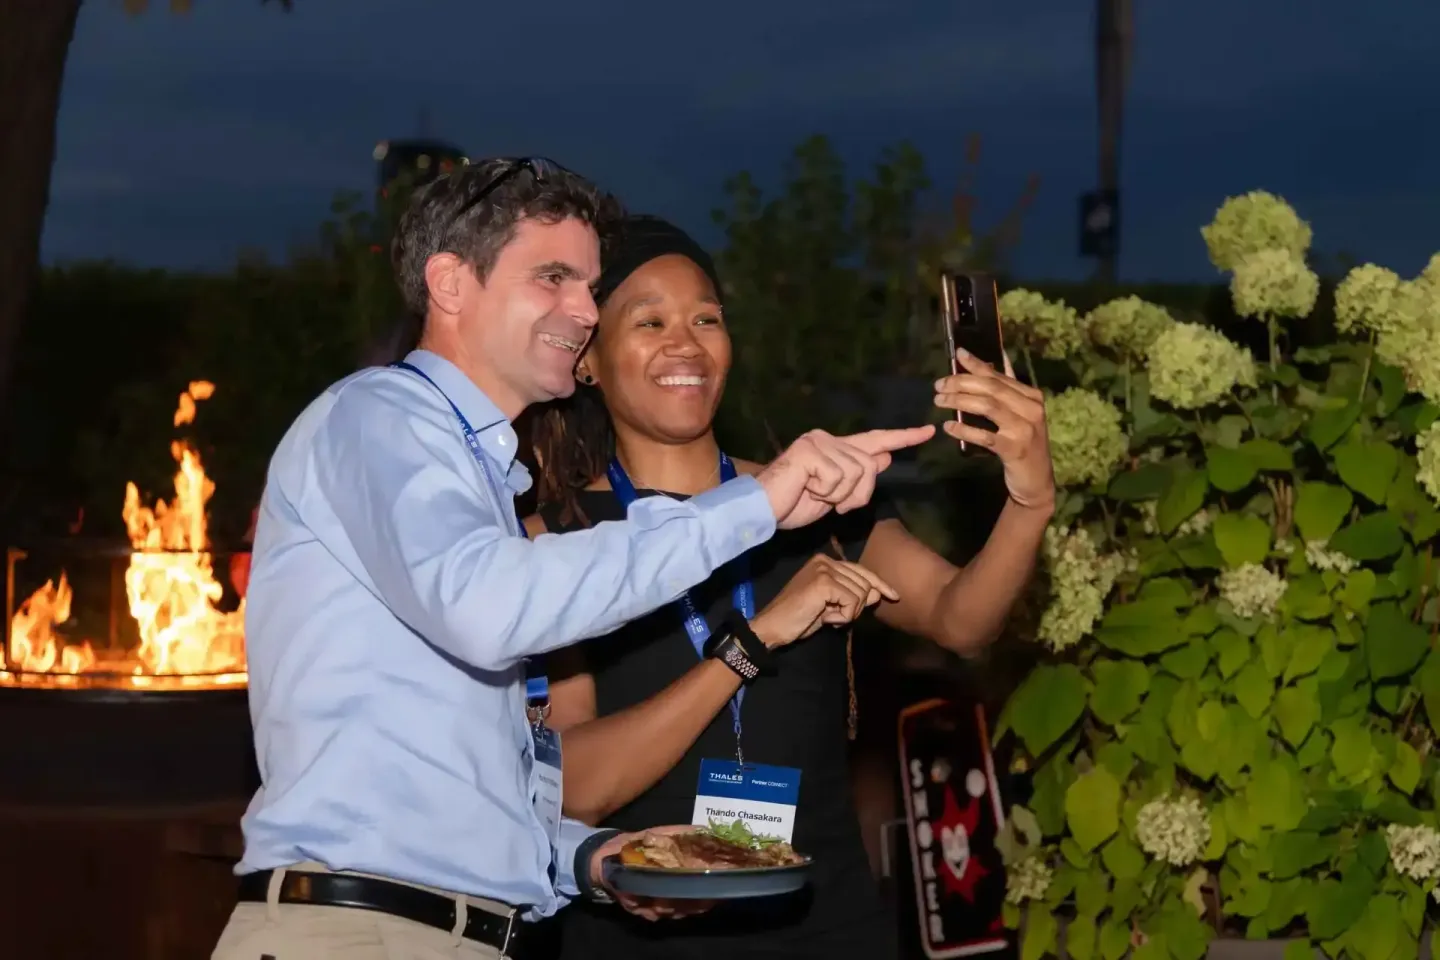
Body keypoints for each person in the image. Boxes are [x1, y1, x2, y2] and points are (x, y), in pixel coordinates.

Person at [209, 159, 934, 960]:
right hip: (356, 935)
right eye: (553, 277)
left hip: (446, 934)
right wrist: (755, 503)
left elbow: (465, 791)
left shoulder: (480, 487)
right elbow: (492, 608)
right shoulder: (379, 418)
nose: (585, 311)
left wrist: (594, 859)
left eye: (589, 287)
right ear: (450, 283)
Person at [524, 215, 1056, 960]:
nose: (686, 343)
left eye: (706, 318)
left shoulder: (818, 497)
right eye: (649, 321)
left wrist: (1032, 499)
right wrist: (752, 641)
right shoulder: (555, 540)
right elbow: (577, 785)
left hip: (827, 925)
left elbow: (962, 620)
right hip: (638, 936)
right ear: (588, 360)